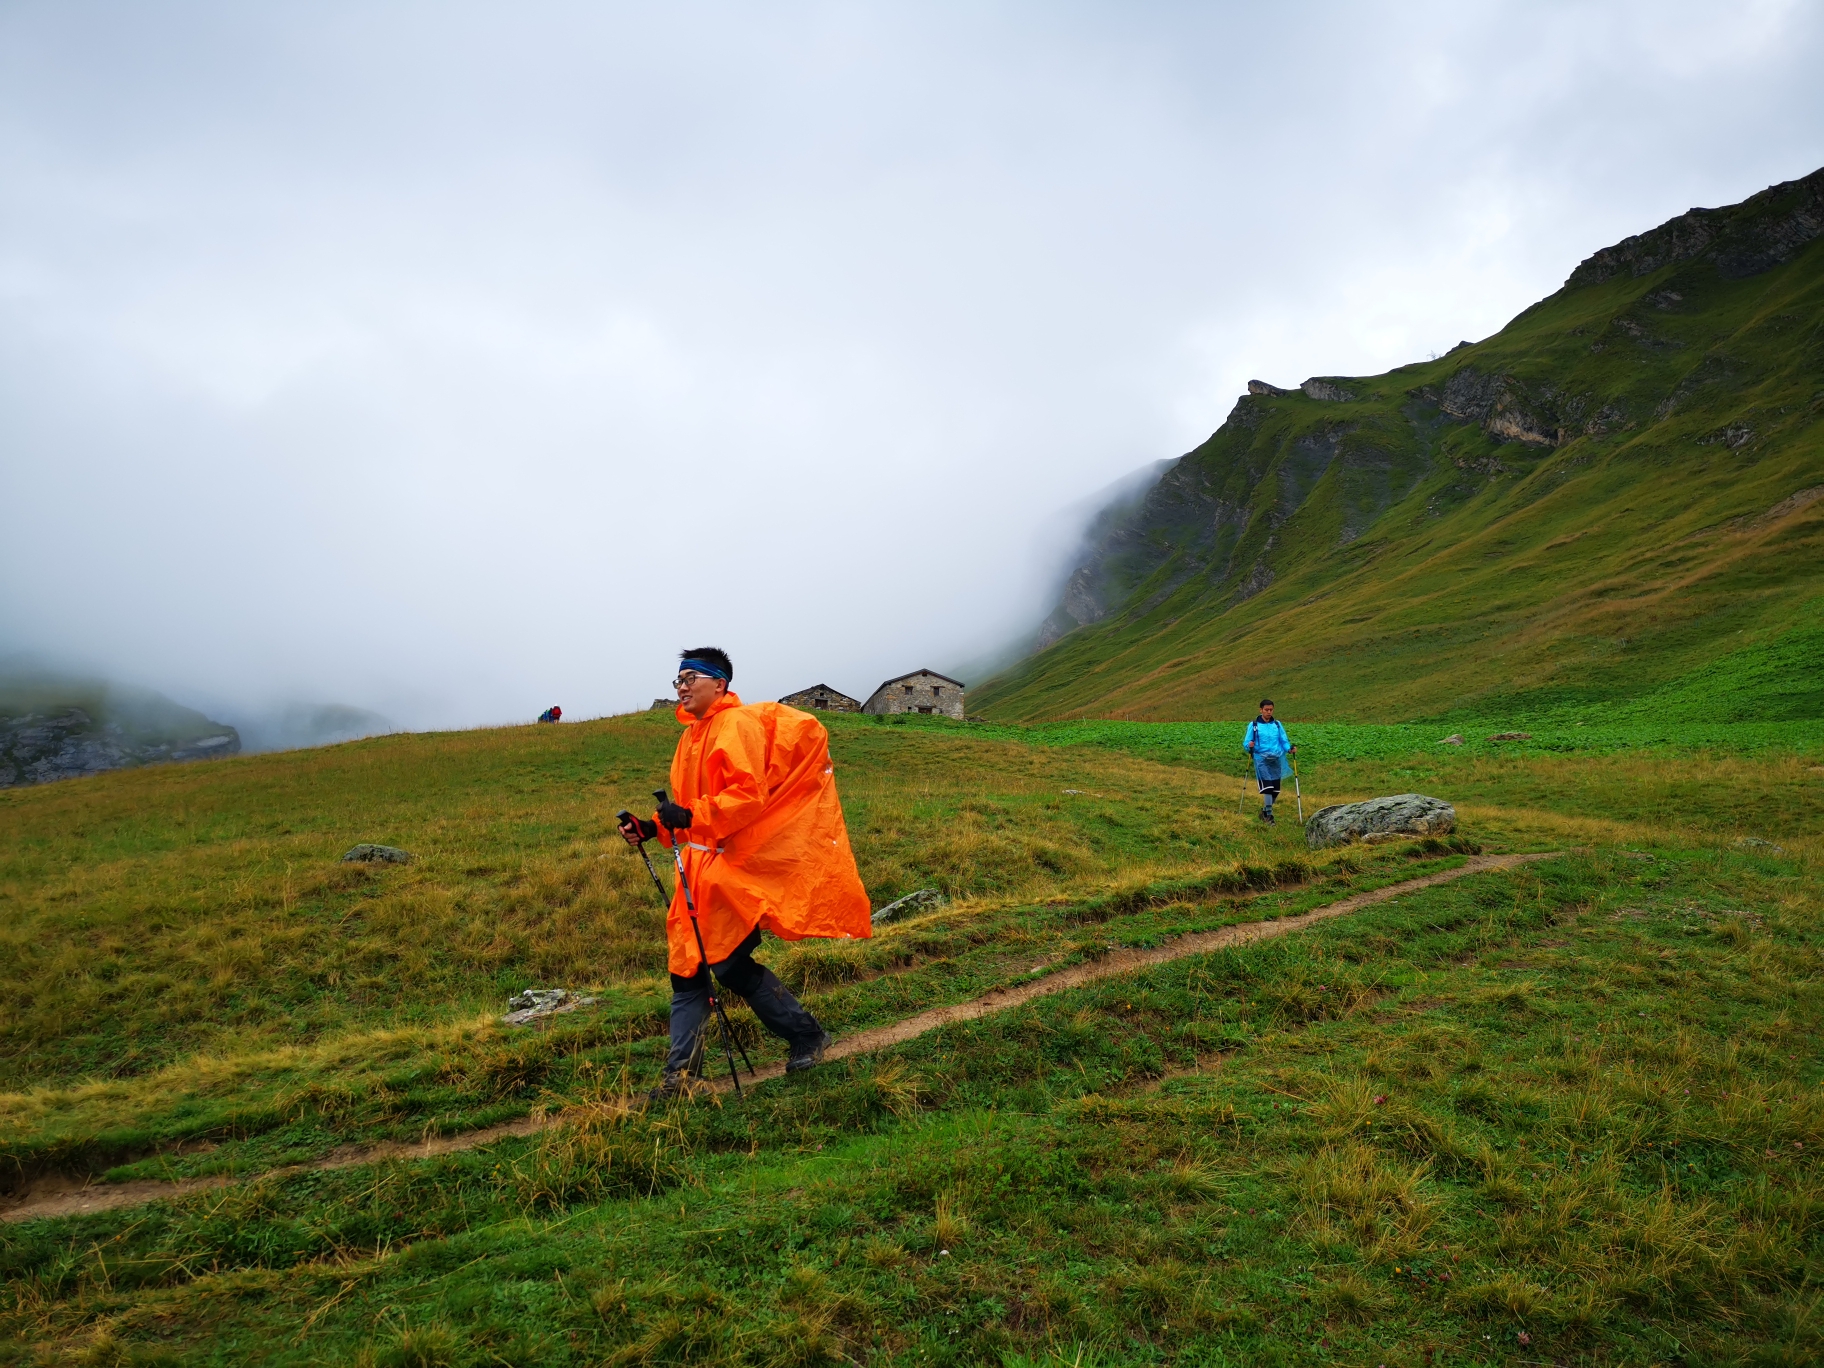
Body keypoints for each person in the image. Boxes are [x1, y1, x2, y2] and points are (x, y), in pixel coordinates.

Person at [619, 647, 871, 1100]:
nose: (680, 686)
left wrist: (688, 816)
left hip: (733, 868)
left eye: (690, 677)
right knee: (690, 969)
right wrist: (650, 827)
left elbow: (745, 798)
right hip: (697, 874)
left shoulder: (735, 726)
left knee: (726, 964)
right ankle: (681, 1077)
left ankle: (805, 1036)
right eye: (677, 679)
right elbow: (687, 812)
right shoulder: (690, 737)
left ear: (720, 683)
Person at [1242, 698, 1295, 824]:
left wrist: (1289, 749)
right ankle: (1269, 817)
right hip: (1261, 758)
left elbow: (1283, 740)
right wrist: (1248, 745)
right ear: (1261, 710)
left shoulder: (1277, 724)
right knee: (1268, 787)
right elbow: (1246, 742)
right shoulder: (1254, 725)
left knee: (1276, 789)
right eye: (1266, 710)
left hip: (1276, 759)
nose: (1269, 712)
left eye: (1271, 710)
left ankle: (1265, 811)